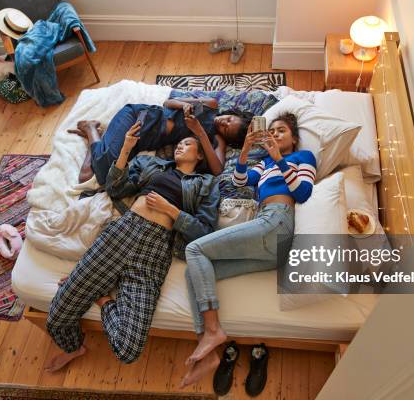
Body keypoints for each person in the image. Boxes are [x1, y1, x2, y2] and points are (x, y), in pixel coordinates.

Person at [44, 124, 220, 372]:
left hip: (154, 250)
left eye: (188, 143)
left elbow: (205, 232)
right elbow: (115, 188)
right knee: (57, 318)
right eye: (179, 143)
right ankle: (74, 348)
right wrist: (126, 149)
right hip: (121, 233)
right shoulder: (153, 165)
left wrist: (170, 209)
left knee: (128, 350)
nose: (180, 145)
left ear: (200, 155)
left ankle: (102, 296)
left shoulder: (207, 183)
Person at [180, 113, 316, 387]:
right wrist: (245, 150)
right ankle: (206, 346)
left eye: (282, 131)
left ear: (294, 138)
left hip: (277, 221)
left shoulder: (304, 158)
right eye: (273, 131)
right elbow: (240, 182)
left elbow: (302, 193)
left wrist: (280, 159)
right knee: (193, 273)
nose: (276, 135)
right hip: (269, 246)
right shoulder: (264, 163)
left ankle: (213, 331)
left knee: (194, 250)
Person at [70, 97, 253, 183]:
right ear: (231, 113)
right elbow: (167, 103)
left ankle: (94, 137)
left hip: (142, 140)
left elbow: (217, 169)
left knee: (92, 176)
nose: (223, 123)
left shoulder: (216, 140)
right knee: (99, 173)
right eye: (228, 119)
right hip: (139, 117)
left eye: (226, 129)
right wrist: (185, 105)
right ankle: (91, 129)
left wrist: (200, 133)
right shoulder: (211, 105)